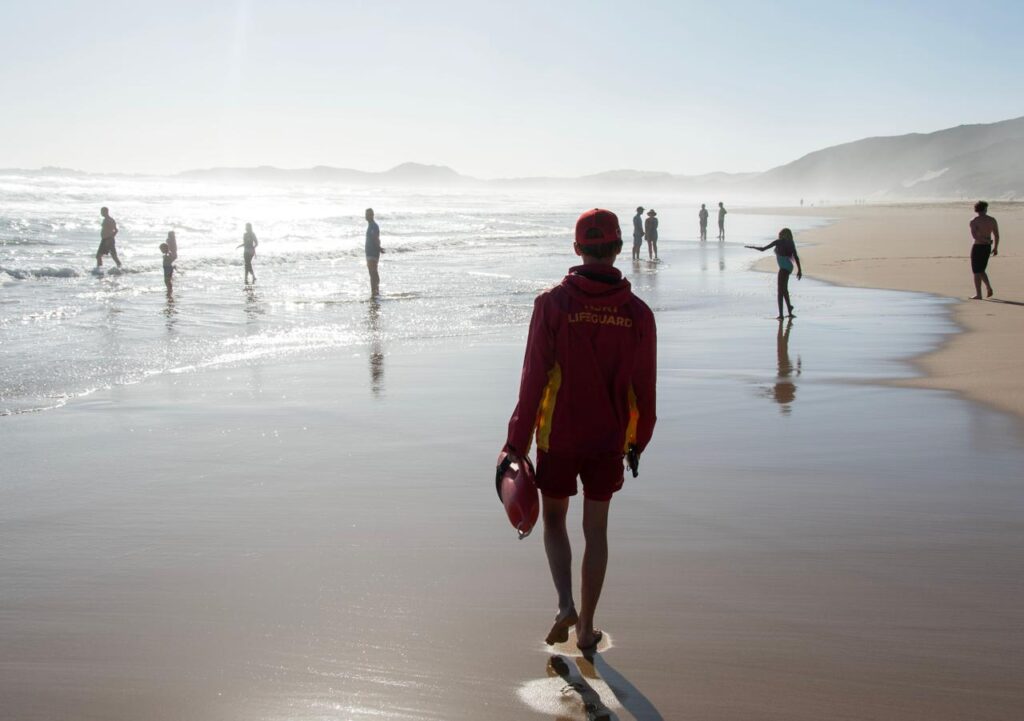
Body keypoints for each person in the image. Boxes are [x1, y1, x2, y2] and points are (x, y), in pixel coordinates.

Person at [504, 208, 657, 653]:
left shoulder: (552, 304)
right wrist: (637, 441)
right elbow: (644, 390)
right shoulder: (638, 314)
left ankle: (565, 602)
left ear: (577, 249)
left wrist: (517, 442)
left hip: (559, 436)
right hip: (608, 440)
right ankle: (587, 627)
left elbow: (533, 378)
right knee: (597, 531)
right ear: (618, 248)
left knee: (554, 520)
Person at [747, 227, 802, 319]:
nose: (779, 235)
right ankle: (789, 309)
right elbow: (796, 257)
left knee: (780, 291)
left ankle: (781, 315)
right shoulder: (790, 243)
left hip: (784, 268)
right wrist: (799, 270)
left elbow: (763, 249)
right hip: (789, 267)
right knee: (784, 290)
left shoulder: (778, 242)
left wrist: (752, 247)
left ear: (783, 235)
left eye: (780, 234)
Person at [969, 200, 999, 299]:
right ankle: (988, 287)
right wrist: (995, 248)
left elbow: (974, 236)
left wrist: (984, 241)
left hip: (978, 247)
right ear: (985, 209)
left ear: (976, 209)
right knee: (981, 270)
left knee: (976, 271)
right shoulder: (992, 220)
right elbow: (996, 235)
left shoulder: (974, 221)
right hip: (987, 247)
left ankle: (979, 294)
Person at [365, 208, 384, 296]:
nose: (366, 216)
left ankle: (375, 291)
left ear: (372, 215)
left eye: (368, 214)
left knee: (373, 272)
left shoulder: (373, 226)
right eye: (366, 214)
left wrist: (379, 248)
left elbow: (375, 238)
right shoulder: (371, 225)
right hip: (370, 252)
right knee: (373, 272)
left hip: (373, 252)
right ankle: (375, 290)